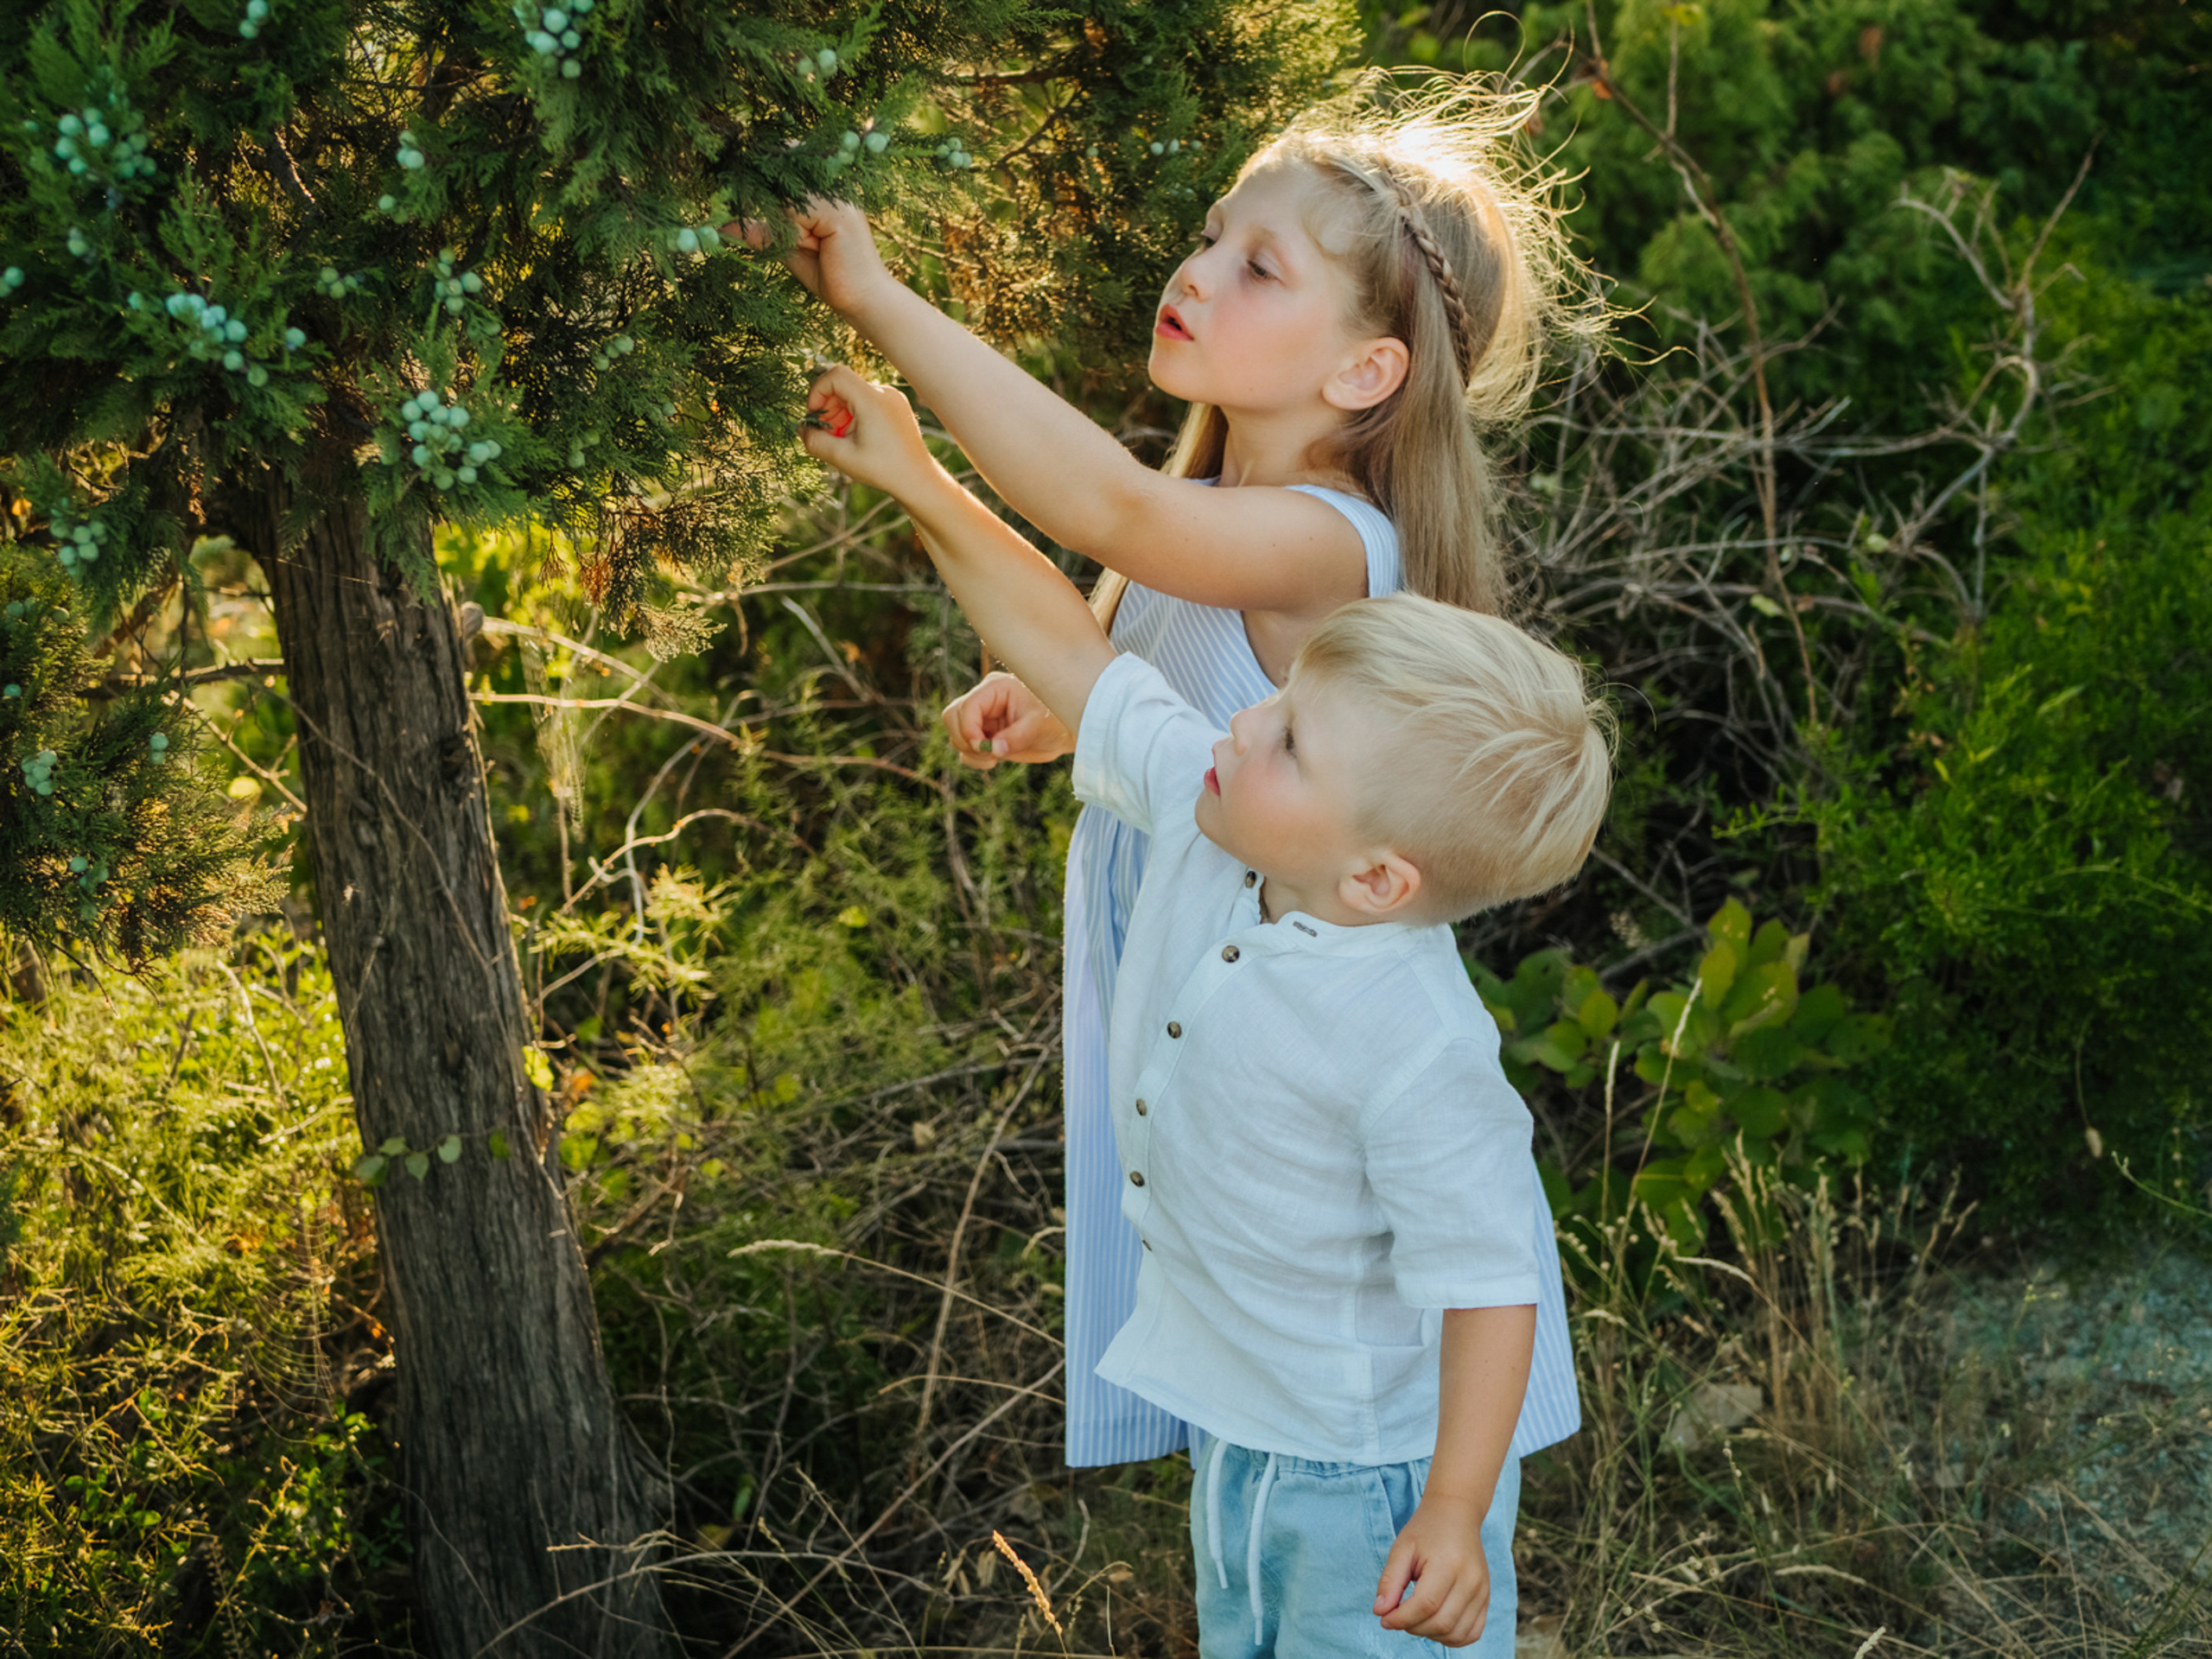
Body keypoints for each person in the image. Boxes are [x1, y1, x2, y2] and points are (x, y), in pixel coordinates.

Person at [757, 79, 1608, 1497]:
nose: (1198, 272)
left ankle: (1405, 1495)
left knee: (1304, 1293)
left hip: (1286, 1014)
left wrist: (882, 305)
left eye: (1259, 266)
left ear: (1363, 373)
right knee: (1234, 1292)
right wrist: (1049, 704)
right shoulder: (1218, 505)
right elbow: (1121, 665)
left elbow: (1109, 513)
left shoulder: (1333, 539)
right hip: (1198, 966)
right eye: (1215, 237)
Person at [798, 363, 1612, 1654]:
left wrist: (1454, 1510)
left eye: (1291, 739)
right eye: (1280, 698)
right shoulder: (1212, 814)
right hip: (1246, 1435)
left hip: (1374, 1476)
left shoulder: (1418, 1042)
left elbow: (1491, 1285)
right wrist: (911, 472)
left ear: (1376, 876)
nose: (1250, 720)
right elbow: (1070, 650)